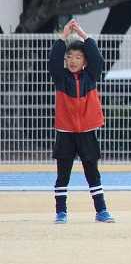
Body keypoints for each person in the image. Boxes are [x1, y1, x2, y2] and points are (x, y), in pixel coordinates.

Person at [48, 19, 114, 223]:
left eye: (78, 57)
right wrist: (64, 36)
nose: (73, 61)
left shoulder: (91, 76)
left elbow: (97, 59)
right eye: (69, 57)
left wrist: (84, 34)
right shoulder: (60, 78)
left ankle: (101, 211)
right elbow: (53, 61)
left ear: (85, 61)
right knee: (63, 175)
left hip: (87, 132)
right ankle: (61, 212)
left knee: (92, 173)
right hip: (65, 133)